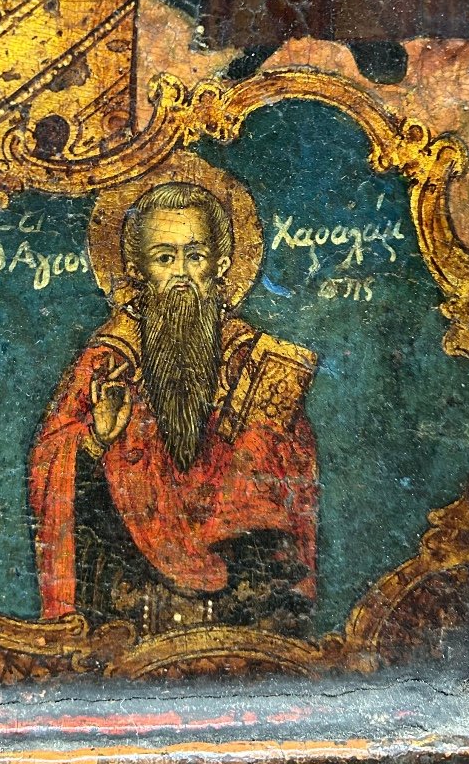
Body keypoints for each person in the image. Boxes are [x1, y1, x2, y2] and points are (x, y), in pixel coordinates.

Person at [29, 181, 319, 637]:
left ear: (220, 266)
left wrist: (261, 443)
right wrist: (95, 441)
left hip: (239, 602)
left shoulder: (256, 365)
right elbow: (50, 467)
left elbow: (293, 488)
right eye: (165, 257)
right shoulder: (109, 362)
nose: (181, 272)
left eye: (195, 256)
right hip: (131, 601)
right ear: (138, 270)